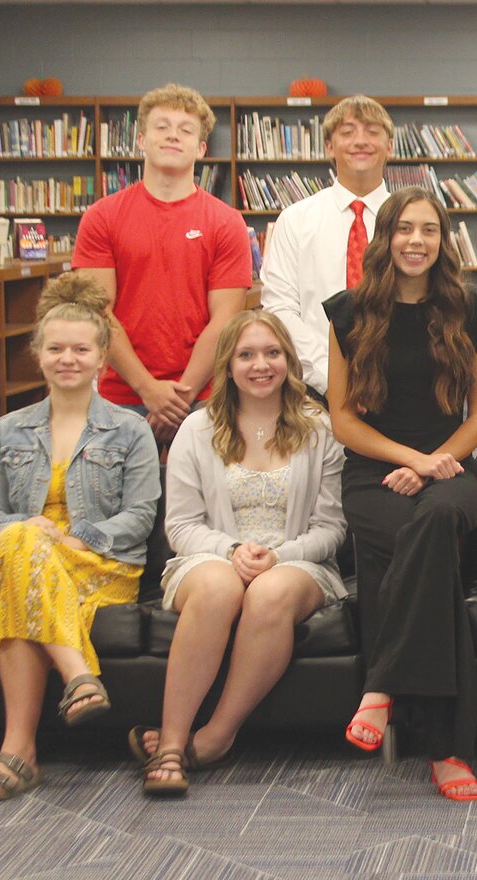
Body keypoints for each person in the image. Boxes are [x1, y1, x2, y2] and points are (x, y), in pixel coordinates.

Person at [0, 273, 160, 801]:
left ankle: (17, 755)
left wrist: (78, 538)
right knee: (18, 544)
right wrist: (26, 530)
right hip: (26, 557)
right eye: (56, 348)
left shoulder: (130, 430)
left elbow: (140, 516)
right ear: (38, 355)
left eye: (81, 348)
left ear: (103, 358)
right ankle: (77, 677)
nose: (68, 358)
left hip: (100, 566)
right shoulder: (8, 430)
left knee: (18, 565)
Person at [131, 310, 347, 796]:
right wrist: (230, 550)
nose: (260, 365)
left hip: (298, 563)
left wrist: (280, 554)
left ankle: (215, 737)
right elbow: (180, 526)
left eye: (272, 353)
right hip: (209, 558)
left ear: (289, 361)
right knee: (216, 585)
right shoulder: (195, 429)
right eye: (246, 354)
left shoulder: (319, 430)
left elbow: (331, 528)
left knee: (269, 592)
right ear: (227, 364)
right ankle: (171, 743)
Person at [324, 186, 477, 801]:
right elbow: (343, 421)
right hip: (374, 472)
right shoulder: (347, 312)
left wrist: (432, 466)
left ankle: (380, 686)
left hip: (453, 473)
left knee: (434, 525)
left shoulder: (473, 310)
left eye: (428, 229)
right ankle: (447, 751)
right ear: (385, 238)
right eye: (404, 229)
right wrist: (408, 461)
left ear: (443, 239)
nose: (416, 241)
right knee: (431, 562)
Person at [72, 83, 252, 441]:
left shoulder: (226, 222)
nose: (173, 136)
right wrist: (147, 389)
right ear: (141, 140)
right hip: (121, 395)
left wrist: (181, 394)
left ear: (201, 148)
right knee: (120, 498)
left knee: (202, 498)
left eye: (185, 130)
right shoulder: (101, 217)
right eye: (161, 126)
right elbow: (97, 312)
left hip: (203, 398)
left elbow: (226, 319)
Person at [261, 95, 394, 401]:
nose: (360, 141)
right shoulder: (295, 220)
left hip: (397, 386)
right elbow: (280, 308)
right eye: (347, 132)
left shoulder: (410, 221)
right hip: (311, 389)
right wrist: (330, 377)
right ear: (330, 147)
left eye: (372, 131)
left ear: (390, 146)